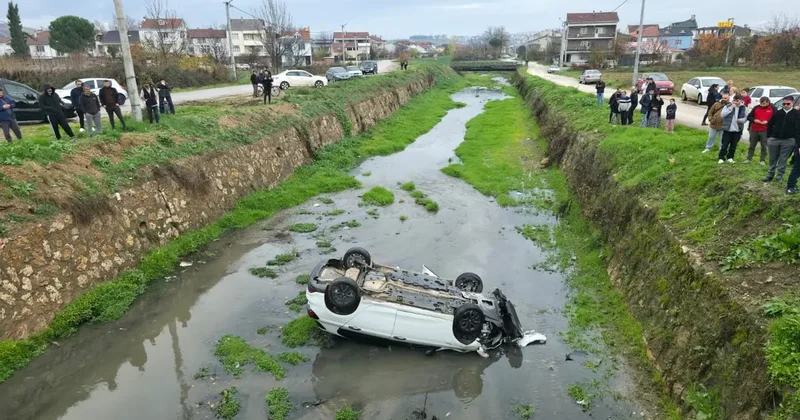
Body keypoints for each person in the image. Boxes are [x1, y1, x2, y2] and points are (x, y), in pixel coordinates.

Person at [763, 96, 800, 183]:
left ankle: (779, 177)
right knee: (772, 158)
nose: (786, 105)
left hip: (788, 140)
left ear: (792, 103)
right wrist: (769, 136)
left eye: (788, 104)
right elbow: (770, 124)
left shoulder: (796, 114)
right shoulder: (777, 113)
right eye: (784, 104)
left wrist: (795, 140)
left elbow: (798, 129)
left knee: (783, 159)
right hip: (774, 139)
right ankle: (770, 175)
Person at [718, 94, 747, 163]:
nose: (735, 102)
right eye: (734, 100)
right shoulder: (728, 106)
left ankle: (730, 157)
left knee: (733, 145)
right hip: (728, 129)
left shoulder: (743, 108)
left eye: (737, 101)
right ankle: (721, 158)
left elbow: (746, 117)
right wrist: (731, 108)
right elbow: (722, 115)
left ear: (740, 101)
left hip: (737, 130)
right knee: (724, 145)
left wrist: (741, 120)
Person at [745, 96, 773, 165]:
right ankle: (749, 158)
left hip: (764, 130)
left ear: (768, 102)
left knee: (764, 146)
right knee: (752, 145)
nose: (762, 105)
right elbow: (749, 117)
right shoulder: (756, 108)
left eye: (764, 103)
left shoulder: (772, 109)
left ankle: (762, 160)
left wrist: (767, 122)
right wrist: (754, 120)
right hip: (754, 128)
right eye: (761, 103)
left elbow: (774, 119)